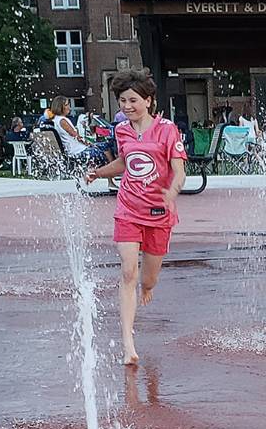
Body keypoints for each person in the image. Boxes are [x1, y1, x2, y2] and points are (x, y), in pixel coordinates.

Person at [85, 67, 187, 365]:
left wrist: (173, 190)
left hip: (158, 214)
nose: (126, 107)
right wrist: (99, 172)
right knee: (128, 271)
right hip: (128, 209)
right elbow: (124, 161)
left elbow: (179, 169)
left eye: (132, 100)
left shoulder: (167, 130)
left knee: (148, 278)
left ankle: (148, 286)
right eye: (122, 101)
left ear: (148, 100)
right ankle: (128, 343)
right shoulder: (122, 130)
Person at [51, 95, 115, 167]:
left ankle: (111, 168)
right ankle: (112, 168)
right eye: (66, 105)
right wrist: (88, 143)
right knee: (105, 147)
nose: (69, 106)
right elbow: (76, 136)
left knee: (102, 146)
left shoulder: (56, 120)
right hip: (77, 151)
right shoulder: (63, 120)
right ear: (60, 107)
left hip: (73, 151)